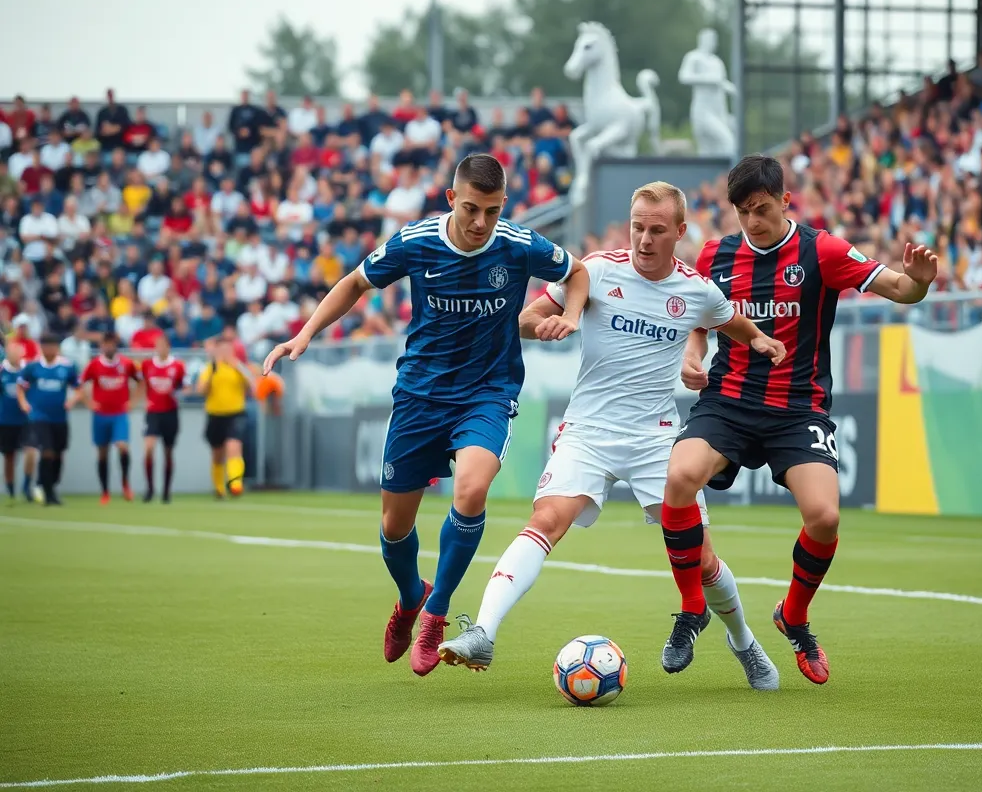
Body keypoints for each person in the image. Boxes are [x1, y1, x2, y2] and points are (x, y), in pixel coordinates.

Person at [437, 181, 784, 689]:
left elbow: (730, 321)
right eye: (638, 227)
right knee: (546, 520)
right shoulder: (596, 270)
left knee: (703, 558)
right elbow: (526, 318)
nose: (644, 239)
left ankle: (743, 641)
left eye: (657, 230)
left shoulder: (695, 290)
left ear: (679, 232)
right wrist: (549, 325)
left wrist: (760, 341)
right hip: (589, 430)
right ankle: (483, 632)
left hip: (656, 439)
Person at [263, 153, 589, 677]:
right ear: (450, 199)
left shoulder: (519, 244)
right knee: (395, 527)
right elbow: (354, 283)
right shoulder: (415, 242)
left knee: (471, 490)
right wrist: (304, 335)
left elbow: (577, 272)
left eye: (491, 210)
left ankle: (436, 615)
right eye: (470, 209)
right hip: (419, 396)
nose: (479, 222)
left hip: (487, 392)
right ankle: (411, 596)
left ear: (503, 205)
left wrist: (571, 315)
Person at [658, 154, 938, 684]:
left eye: (761, 209)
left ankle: (793, 615)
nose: (752, 221)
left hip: (797, 409)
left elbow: (902, 289)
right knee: (678, 477)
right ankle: (692, 608)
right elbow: (700, 317)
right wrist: (692, 356)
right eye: (742, 211)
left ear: (786, 200)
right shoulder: (717, 254)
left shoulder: (822, 250)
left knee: (825, 518)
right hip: (728, 403)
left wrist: (919, 283)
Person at [16, 336, 80, 506]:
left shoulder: (67, 367)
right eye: (46, 346)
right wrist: (23, 403)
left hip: (59, 417)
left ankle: (50, 485)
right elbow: (20, 386)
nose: (49, 349)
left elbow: (78, 387)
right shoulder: (32, 367)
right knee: (47, 451)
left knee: (58, 453)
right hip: (39, 417)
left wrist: (72, 401)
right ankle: (47, 492)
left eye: (52, 346)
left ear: (57, 348)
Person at [78, 332, 140, 503]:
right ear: (101, 346)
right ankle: (105, 491)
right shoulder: (94, 365)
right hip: (100, 415)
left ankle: (125, 484)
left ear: (116, 345)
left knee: (122, 446)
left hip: (119, 414)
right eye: (106, 344)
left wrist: (133, 402)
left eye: (111, 344)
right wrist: (88, 402)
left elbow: (140, 381)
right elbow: (80, 383)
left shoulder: (127, 364)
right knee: (102, 453)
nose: (109, 347)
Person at [197, 337, 255, 498]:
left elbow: (252, 385)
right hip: (215, 414)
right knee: (217, 453)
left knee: (233, 446)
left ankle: (235, 483)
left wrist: (238, 367)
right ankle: (219, 487)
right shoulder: (210, 368)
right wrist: (213, 372)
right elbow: (201, 391)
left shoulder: (238, 367)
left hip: (235, 413)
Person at [140, 334, 187, 503]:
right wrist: (142, 400)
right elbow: (142, 384)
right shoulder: (147, 365)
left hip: (170, 412)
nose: (159, 348)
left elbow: (184, 386)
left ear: (168, 347)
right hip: (153, 412)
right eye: (157, 345)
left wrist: (179, 394)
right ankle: (150, 489)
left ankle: (166, 491)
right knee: (149, 448)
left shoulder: (177, 366)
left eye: (162, 345)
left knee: (168, 452)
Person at [0, 341, 31, 501]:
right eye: (11, 351)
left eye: (17, 351)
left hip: (27, 419)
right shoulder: (2, 370)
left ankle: (27, 486)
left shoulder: (28, 370)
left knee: (31, 451)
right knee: (9, 456)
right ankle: (11, 487)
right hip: (6, 420)